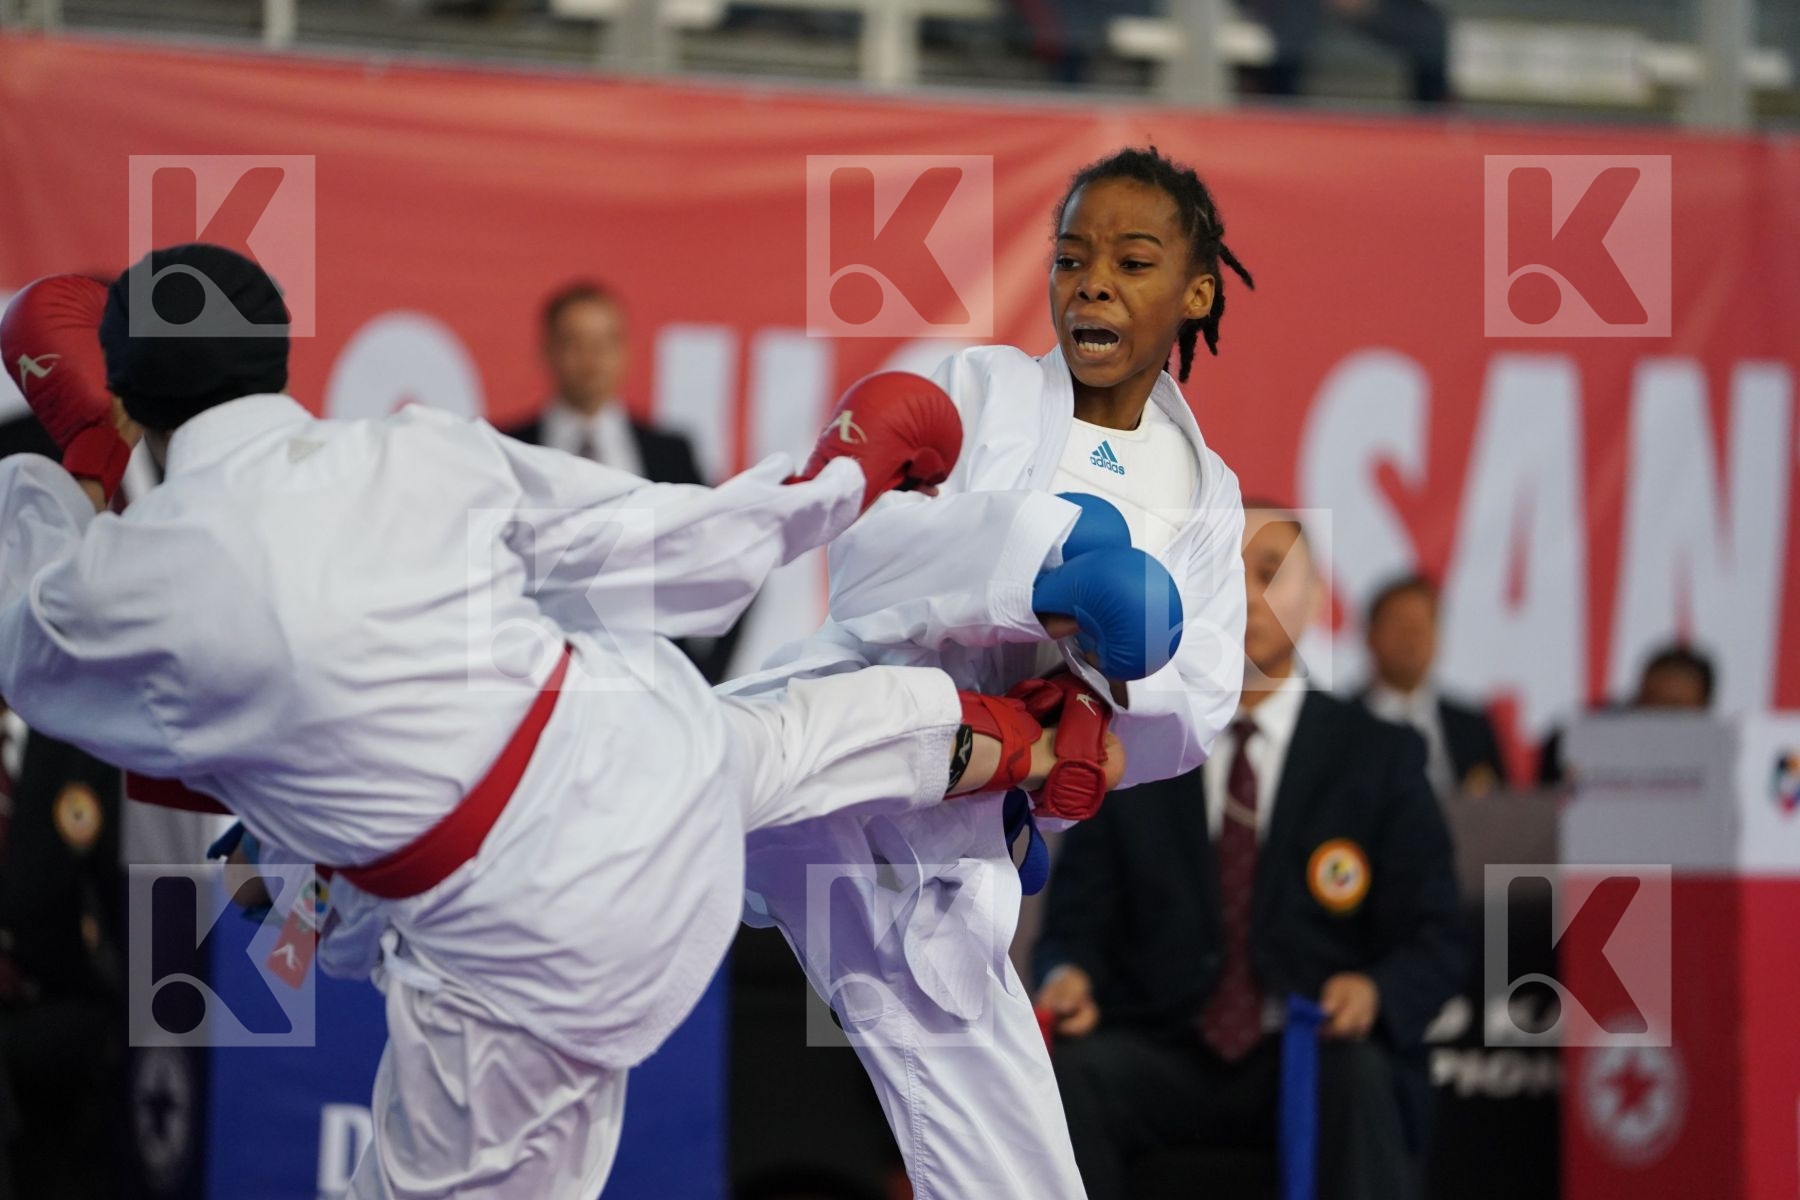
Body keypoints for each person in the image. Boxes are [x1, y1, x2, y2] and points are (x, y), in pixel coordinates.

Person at [0, 247, 1120, 1200]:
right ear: (281, 354)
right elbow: (681, 552)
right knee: (773, 740)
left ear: (136, 397)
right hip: (641, 759)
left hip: (531, 938)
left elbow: (31, 640)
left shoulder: (126, 585)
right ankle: (992, 734)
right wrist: (839, 479)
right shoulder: (417, 448)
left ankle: (981, 734)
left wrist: (81, 465)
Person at [725, 146, 1254, 1199]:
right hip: (849, 726)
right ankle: (405, 841)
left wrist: (1096, 723)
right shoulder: (982, 389)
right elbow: (868, 555)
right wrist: (1045, 567)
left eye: (1133, 261)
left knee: (1022, 1178)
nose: (1092, 281)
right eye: (1071, 259)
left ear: (1196, 291)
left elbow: (1201, 693)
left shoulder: (1207, 489)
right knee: (619, 819)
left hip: (956, 844)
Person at [1035, 505, 1465, 1200]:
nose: (1245, 596)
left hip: (1312, 1050)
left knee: (1358, 1079)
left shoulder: (1377, 756)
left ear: (1318, 597)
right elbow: (1074, 927)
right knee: (1073, 1073)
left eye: (1268, 572)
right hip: (1168, 1048)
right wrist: (1068, 975)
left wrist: (1376, 990)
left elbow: (1437, 938)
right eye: (1223, 574)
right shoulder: (1139, 748)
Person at [504, 281, 741, 680]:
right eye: (574, 343)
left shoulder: (670, 454)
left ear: (625, 351)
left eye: (605, 342)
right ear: (547, 350)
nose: (590, 360)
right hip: (538, 681)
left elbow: (728, 554)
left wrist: (703, 675)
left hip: (651, 682)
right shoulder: (509, 451)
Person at [1358, 573, 1506, 798]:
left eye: (1421, 625)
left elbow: (1508, 810)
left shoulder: (1472, 727)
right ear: (1370, 635)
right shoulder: (1338, 724)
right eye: (1399, 624)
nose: (1411, 638)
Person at [1537, 641, 1715, 784]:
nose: (1657, 716)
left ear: (1703, 708)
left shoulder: (1719, 765)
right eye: (1649, 701)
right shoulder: (1591, 739)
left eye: (1674, 708)